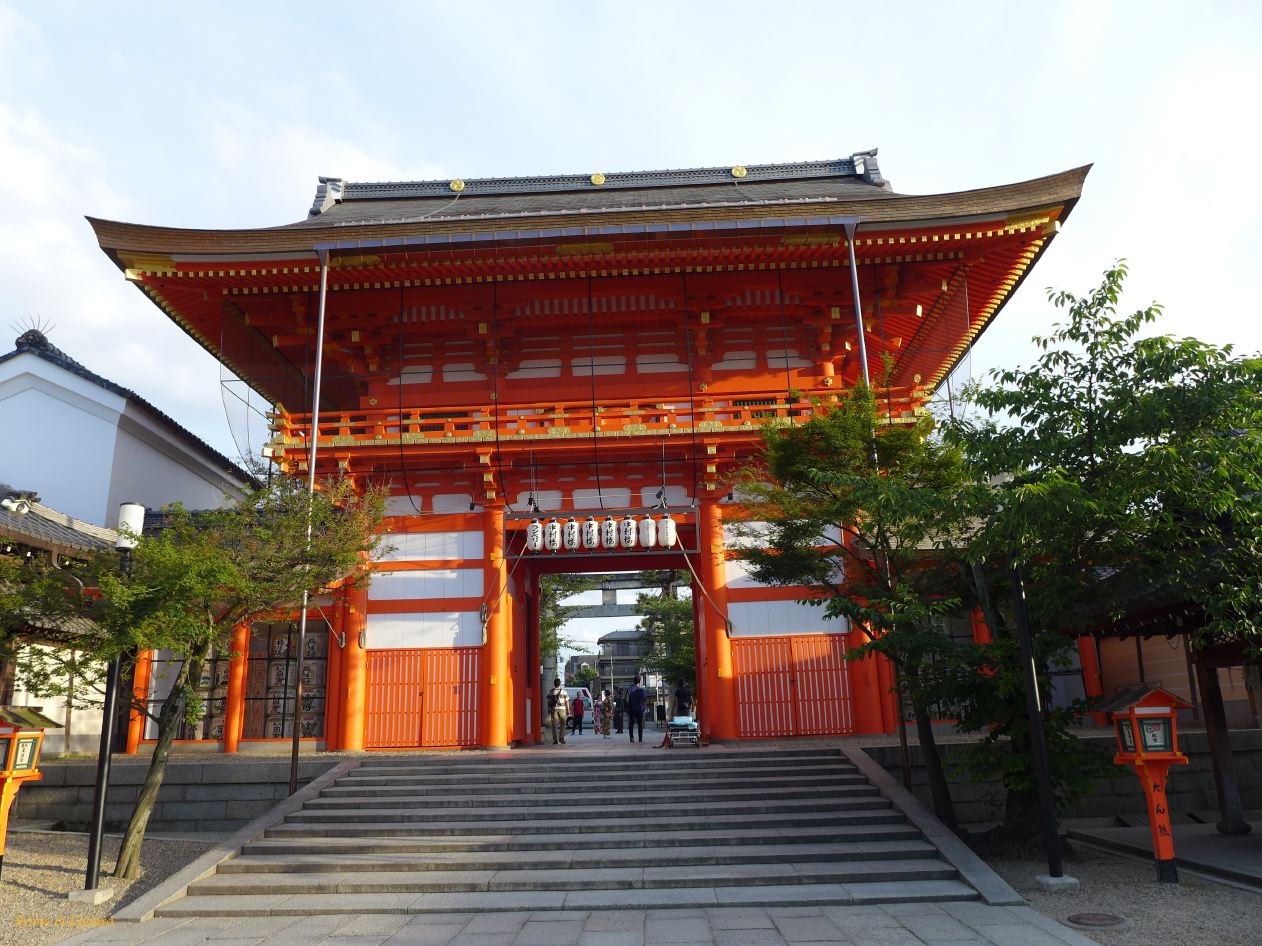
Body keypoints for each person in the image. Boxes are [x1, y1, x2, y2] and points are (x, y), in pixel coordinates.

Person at [547, 678, 568, 745]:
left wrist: (549, 709)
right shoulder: (564, 692)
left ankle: (555, 740)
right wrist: (568, 710)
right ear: (560, 684)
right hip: (562, 709)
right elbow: (566, 702)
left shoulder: (551, 691)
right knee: (563, 724)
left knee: (554, 725)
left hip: (554, 709)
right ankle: (561, 739)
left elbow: (548, 701)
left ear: (554, 684)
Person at [625, 676, 646, 743]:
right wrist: (643, 707)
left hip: (632, 709)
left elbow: (627, 700)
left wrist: (628, 707)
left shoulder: (629, 689)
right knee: (640, 725)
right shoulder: (642, 689)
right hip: (640, 709)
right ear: (639, 681)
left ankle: (631, 738)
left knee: (631, 724)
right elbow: (644, 700)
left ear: (633, 681)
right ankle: (640, 739)